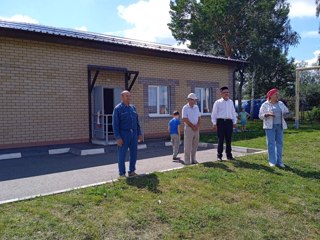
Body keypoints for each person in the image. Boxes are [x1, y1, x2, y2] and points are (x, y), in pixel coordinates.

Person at [112, 90, 143, 177]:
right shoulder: (118, 108)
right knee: (122, 154)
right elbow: (115, 124)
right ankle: (122, 173)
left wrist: (139, 133)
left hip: (134, 133)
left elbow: (137, 122)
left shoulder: (133, 108)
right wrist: (118, 137)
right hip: (123, 134)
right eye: (127, 96)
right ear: (122, 97)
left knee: (134, 153)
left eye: (130, 96)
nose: (129, 97)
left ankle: (132, 171)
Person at [259, 88, 289, 168]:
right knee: (271, 144)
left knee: (280, 143)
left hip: (280, 126)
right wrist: (267, 114)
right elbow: (260, 116)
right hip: (270, 127)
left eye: (277, 94)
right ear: (271, 95)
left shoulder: (280, 103)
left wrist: (286, 114)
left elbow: (286, 111)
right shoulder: (265, 104)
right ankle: (272, 161)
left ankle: (280, 161)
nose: (277, 96)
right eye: (276, 94)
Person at [211, 86, 238, 161]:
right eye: (224, 92)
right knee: (221, 139)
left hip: (229, 122)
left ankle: (229, 155)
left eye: (227, 92)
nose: (226, 94)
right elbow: (214, 114)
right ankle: (219, 156)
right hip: (221, 122)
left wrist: (234, 122)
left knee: (229, 139)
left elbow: (233, 112)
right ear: (221, 94)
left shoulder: (231, 102)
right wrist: (214, 123)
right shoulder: (217, 102)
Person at [182, 93, 201, 165]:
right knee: (188, 145)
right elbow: (184, 119)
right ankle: (187, 161)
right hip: (189, 128)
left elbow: (199, 117)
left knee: (195, 144)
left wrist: (197, 125)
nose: (195, 101)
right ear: (189, 100)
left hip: (196, 128)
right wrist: (192, 126)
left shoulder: (196, 107)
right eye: (193, 100)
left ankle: (193, 159)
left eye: (195, 100)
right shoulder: (185, 108)